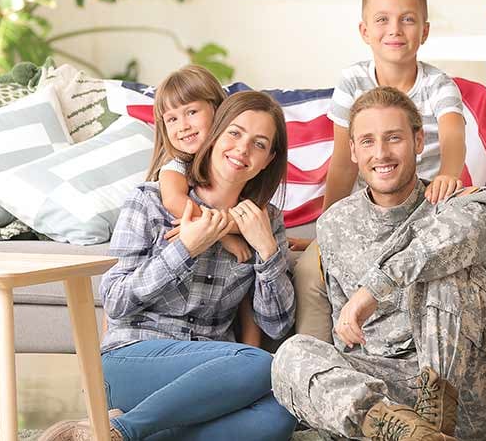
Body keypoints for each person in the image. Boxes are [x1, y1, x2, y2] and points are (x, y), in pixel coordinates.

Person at [271, 87, 486, 441]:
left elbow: (437, 249)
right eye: (367, 141)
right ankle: (401, 432)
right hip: (390, 395)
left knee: (441, 270)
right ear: (353, 150)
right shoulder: (334, 224)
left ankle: (430, 423)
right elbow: (345, 336)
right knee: (291, 355)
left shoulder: (463, 205)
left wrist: (371, 291)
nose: (381, 153)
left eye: (394, 138)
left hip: (475, 393)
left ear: (418, 140)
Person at [40, 91, 297, 441]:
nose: (242, 150)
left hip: (211, 370)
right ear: (216, 134)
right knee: (260, 364)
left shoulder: (265, 222)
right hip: (131, 359)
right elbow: (115, 301)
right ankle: (123, 431)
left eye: (259, 143)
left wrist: (267, 252)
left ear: (268, 160)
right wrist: (186, 248)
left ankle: (108, 432)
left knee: (280, 416)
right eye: (235, 133)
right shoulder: (147, 201)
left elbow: (277, 325)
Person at [290, 0, 467, 342]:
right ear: (365, 31)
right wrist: (327, 230)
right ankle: (319, 352)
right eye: (382, 20)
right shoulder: (353, 81)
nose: (395, 30)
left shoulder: (438, 85)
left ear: (425, 30)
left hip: (422, 205)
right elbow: (341, 163)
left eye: (408, 19)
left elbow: (453, 133)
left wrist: (449, 175)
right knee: (310, 270)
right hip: (366, 211)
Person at [147, 65, 261, 347]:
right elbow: (175, 201)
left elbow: (258, 224)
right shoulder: (176, 166)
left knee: (246, 286)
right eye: (171, 119)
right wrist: (224, 236)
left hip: (225, 295)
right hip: (169, 308)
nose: (182, 125)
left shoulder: (237, 166)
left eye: (191, 112)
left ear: (219, 110)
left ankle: (253, 358)